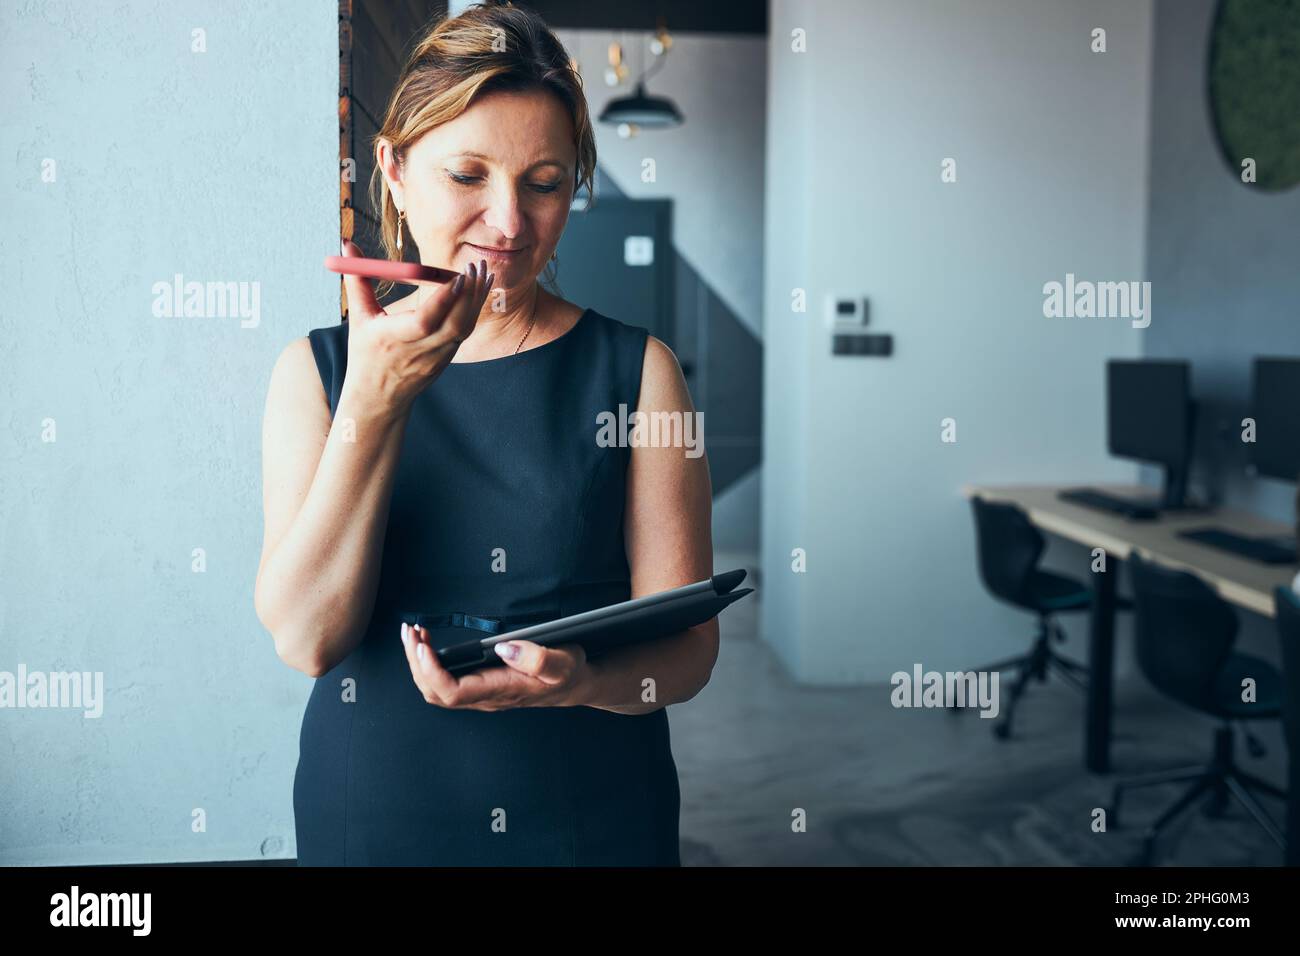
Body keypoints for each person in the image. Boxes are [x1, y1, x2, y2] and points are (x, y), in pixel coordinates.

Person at [253, 2, 718, 865]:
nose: (509, 224)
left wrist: (587, 682)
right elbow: (307, 637)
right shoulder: (313, 373)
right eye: (468, 175)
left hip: (595, 816)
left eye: (544, 184)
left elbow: (688, 653)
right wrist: (377, 399)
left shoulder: (641, 372)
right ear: (393, 170)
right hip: (377, 810)